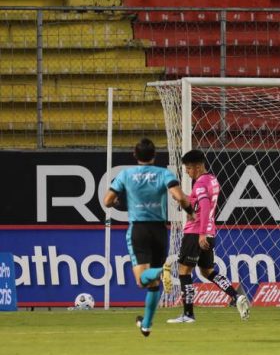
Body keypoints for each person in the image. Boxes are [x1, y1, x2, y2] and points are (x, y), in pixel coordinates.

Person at [104, 138, 193, 337]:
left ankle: (162, 270)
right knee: (153, 285)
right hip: (160, 231)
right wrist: (191, 212)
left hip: (139, 230)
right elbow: (180, 197)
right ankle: (146, 325)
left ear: (135, 155)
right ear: (155, 155)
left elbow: (107, 200)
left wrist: (120, 202)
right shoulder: (164, 174)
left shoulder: (126, 175)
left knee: (142, 281)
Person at [164, 149, 250, 323]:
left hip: (196, 232)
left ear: (197, 167)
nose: (187, 173)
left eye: (188, 169)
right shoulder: (212, 180)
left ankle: (188, 315)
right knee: (207, 271)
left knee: (183, 270)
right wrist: (185, 199)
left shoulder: (200, 183)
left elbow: (203, 204)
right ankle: (236, 296)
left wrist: (201, 233)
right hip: (210, 231)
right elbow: (201, 203)